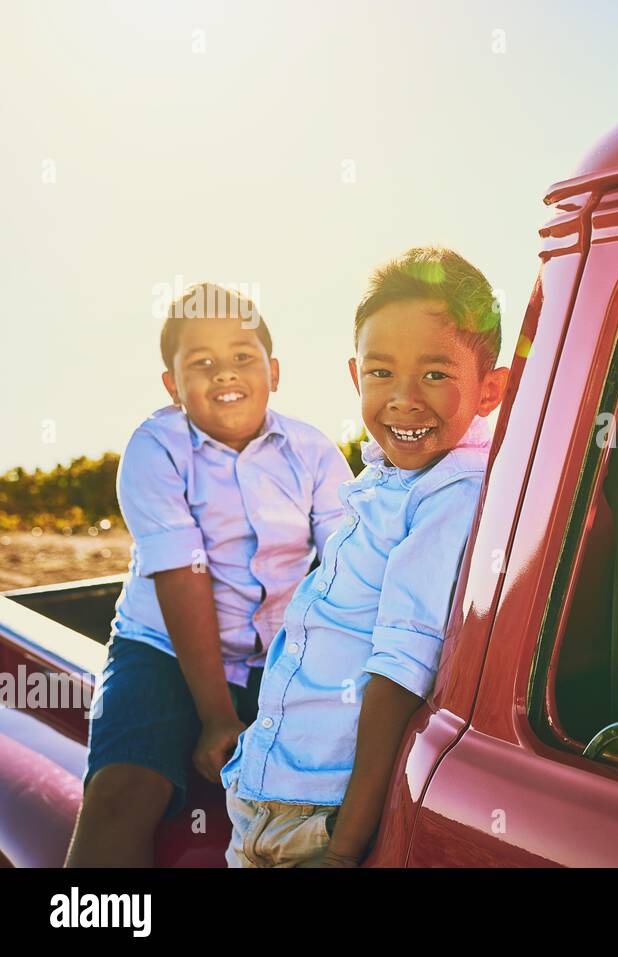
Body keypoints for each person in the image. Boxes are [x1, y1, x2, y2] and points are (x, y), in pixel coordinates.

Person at [220, 247, 509, 867]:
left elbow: (400, 667)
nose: (403, 399)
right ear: (355, 377)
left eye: (435, 374)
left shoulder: (449, 495)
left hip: (317, 817)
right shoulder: (393, 478)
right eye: (381, 373)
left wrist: (347, 843)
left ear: (491, 390)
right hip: (271, 793)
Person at [66, 283, 352, 867]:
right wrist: (216, 715)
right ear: (173, 385)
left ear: (273, 369)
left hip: (279, 652)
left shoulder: (314, 451)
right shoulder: (156, 448)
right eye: (201, 361)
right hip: (163, 648)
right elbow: (182, 574)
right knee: (120, 799)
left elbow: (348, 566)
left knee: (336, 789)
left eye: (243, 356)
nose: (225, 371)